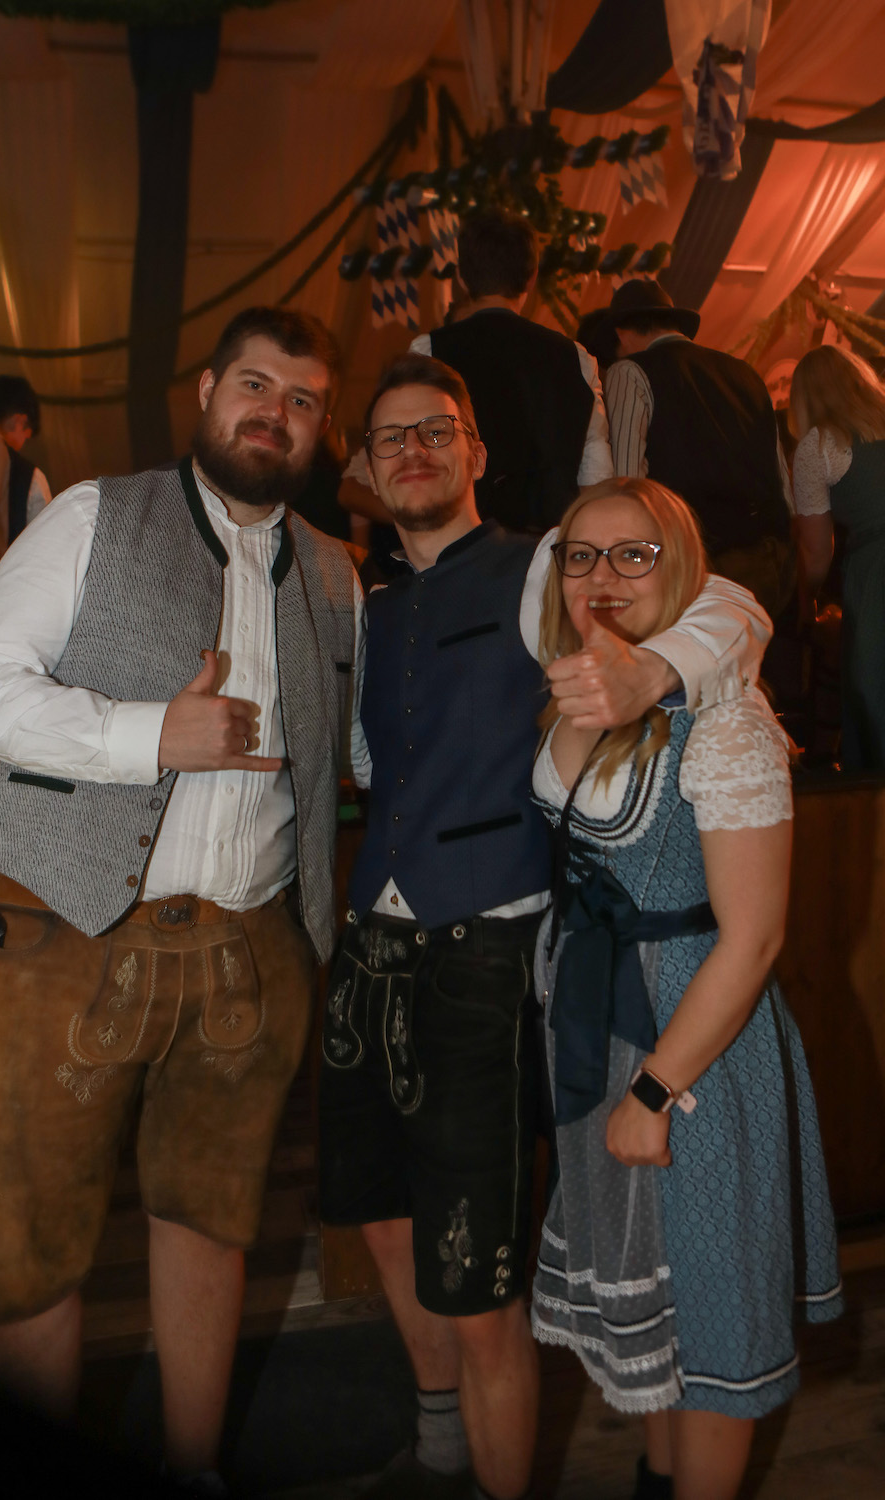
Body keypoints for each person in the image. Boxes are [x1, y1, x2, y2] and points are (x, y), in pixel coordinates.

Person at [318, 353, 773, 1500]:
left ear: (475, 451)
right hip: (370, 944)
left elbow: (731, 603)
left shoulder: (544, 566)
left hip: (483, 944)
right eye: (391, 437)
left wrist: (650, 674)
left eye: (438, 429)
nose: (415, 450)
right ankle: (437, 1445)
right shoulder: (372, 602)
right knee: (380, 1217)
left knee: (476, 1264)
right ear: (364, 466)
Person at [0, 306, 363, 1494]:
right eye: (255, 384)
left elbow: (354, 748)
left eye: (302, 400)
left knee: (213, 1226)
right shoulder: (92, 514)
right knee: (27, 1252)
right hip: (63, 941)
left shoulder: (337, 571)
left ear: (320, 429)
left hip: (251, 953)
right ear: (209, 391)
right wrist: (147, 736)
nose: (274, 412)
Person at [529, 477, 841, 1500]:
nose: (604, 577)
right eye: (582, 555)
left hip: (692, 1045)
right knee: (655, 1312)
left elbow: (753, 941)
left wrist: (655, 1089)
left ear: (683, 574)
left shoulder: (726, 720)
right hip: (601, 1029)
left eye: (636, 554)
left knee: (711, 1314)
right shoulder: (577, 691)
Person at [409, 207, 614, 531]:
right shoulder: (575, 358)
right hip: (548, 546)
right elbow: (596, 481)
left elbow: (415, 460)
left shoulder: (429, 351)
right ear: (532, 277)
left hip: (459, 543)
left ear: (461, 276)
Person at [602, 280, 795, 621]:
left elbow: (629, 485)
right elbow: (783, 483)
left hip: (693, 566)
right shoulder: (746, 373)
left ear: (622, 333)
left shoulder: (629, 372)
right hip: (767, 562)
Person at [790, 344, 885, 770]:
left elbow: (816, 552)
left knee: (874, 694)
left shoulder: (819, 446)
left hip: (877, 571)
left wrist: (806, 600)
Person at [0, 373, 53, 547]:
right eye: (25, 436)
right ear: (18, 421)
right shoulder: (29, 477)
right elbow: (43, 547)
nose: (21, 446)